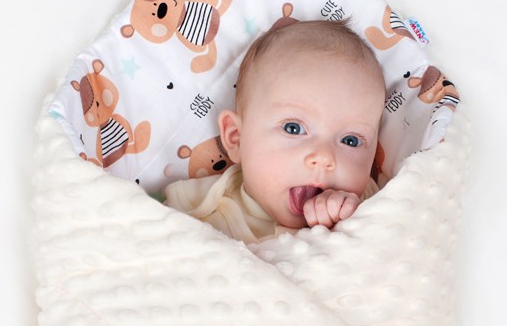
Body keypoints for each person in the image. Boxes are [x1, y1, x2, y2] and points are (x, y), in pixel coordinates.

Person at [164, 19, 386, 243]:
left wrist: (353, 226)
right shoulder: (197, 205)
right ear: (236, 138)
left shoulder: (373, 207)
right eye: (293, 128)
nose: (324, 157)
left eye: (350, 140)